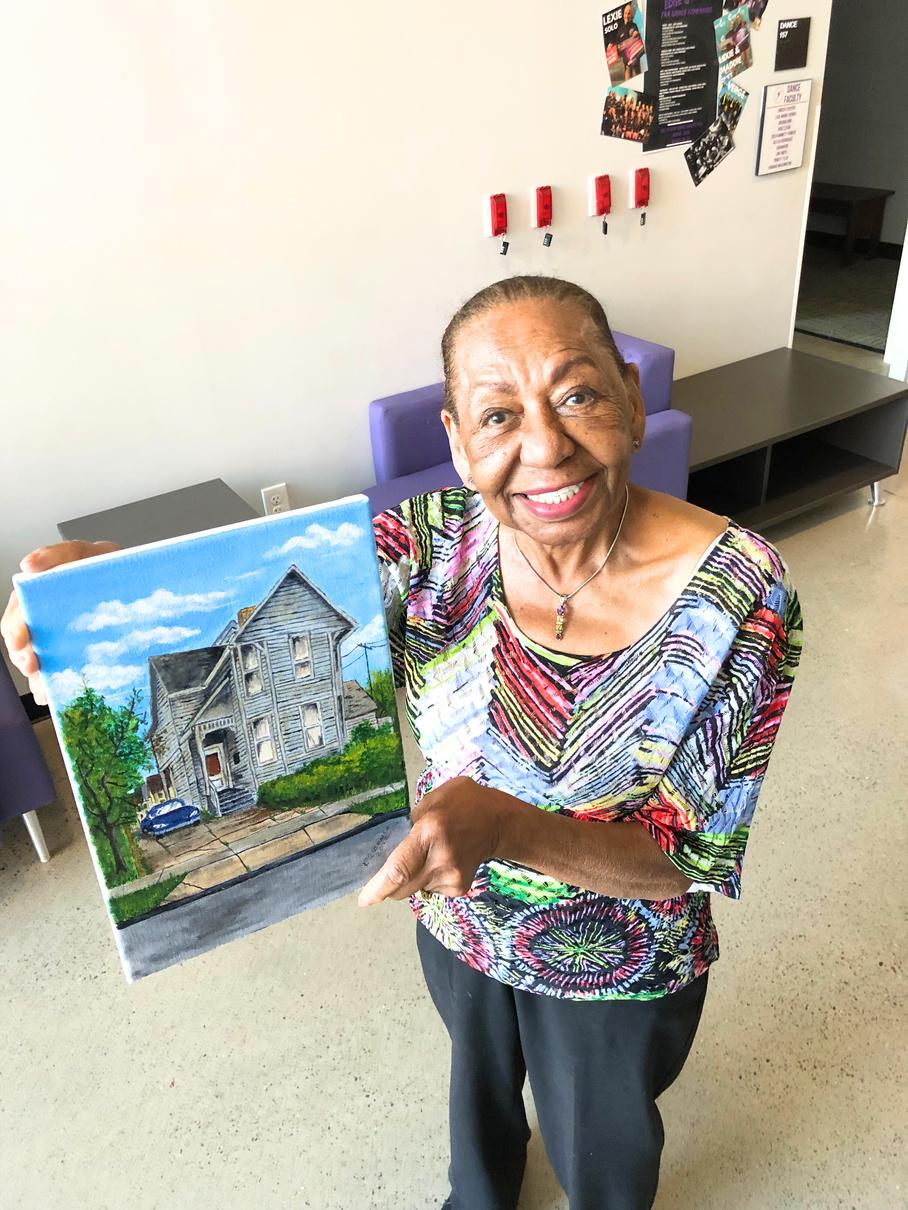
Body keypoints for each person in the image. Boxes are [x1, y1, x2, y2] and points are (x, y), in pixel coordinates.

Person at [3, 276, 804, 1210]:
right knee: (477, 1110)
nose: (545, 446)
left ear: (629, 398)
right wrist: (108, 591)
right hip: (456, 916)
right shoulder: (427, 547)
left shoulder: (740, 595)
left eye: (578, 394)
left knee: (601, 1155)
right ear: (459, 444)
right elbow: (251, 588)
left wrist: (506, 828)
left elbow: (685, 863)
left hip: (617, 960)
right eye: (498, 416)